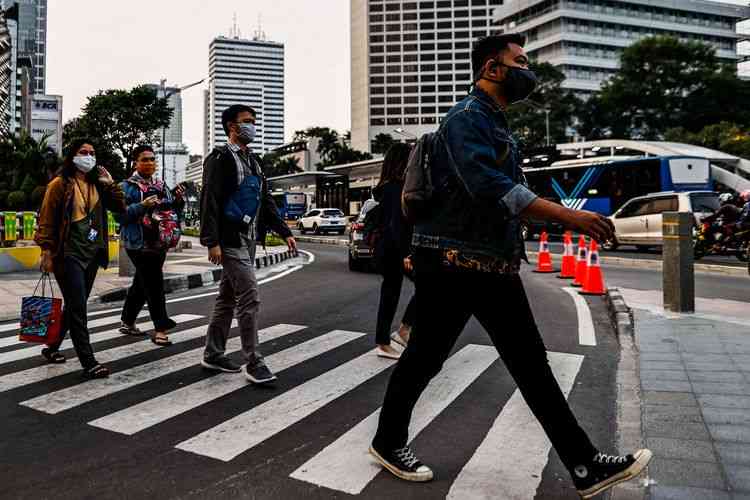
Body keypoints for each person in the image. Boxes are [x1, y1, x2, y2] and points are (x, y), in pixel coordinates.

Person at [368, 35, 652, 499]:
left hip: (490, 264)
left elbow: (511, 197)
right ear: (492, 69)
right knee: (425, 359)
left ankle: (584, 466)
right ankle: (387, 441)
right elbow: (488, 186)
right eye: (520, 61)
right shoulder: (465, 119)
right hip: (452, 262)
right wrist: (571, 217)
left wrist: (550, 221)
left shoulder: (496, 124)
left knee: (529, 364)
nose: (528, 70)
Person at [199, 104, 297, 384]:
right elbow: (210, 200)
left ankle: (213, 353)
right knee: (249, 296)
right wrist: (211, 241)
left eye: (253, 121)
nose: (253, 126)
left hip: (249, 238)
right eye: (247, 121)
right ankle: (253, 361)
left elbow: (264, 200)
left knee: (227, 297)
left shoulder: (253, 160)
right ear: (232, 126)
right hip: (229, 240)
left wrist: (283, 230)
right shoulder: (219, 158)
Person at [35, 139, 126, 379]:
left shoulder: (98, 184)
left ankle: (52, 347)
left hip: (92, 253)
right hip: (68, 253)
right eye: (83, 152)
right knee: (78, 308)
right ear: (72, 156)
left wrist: (111, 184)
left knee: (75, 305)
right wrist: (46, 252)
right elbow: (46, 220)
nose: (88, 156)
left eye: (92, 153)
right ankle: (88, 362)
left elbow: (121, 207)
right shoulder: (59, 184)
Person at [117, 145, 185, 346]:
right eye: (144, 159)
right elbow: (120, 216)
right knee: (154, 283)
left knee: (142, 282)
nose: (149, 163)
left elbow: (170, 211)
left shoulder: (161, 185)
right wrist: (143, 206)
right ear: (135, 163)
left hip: (158, 242)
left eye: (152, 159)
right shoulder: (126, 187)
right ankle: (161, 328)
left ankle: (127, 321)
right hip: (137, 243)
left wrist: (178, 200)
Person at [373, 143, 416, 360]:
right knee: (429, 285)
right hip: (394, 249)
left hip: (390, 248)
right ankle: (398, 333)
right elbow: (396, 226)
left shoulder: (391, 186)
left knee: (390, 293)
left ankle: (393, 336)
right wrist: (406, 254)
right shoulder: (394, 188)